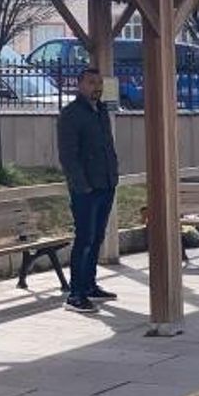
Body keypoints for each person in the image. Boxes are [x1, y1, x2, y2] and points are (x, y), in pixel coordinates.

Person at [57, 68, 120, 313]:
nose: (97, 87)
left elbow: (107, 146)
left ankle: (90, 285)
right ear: (80, 85)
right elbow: (68, 155)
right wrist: (81, 185)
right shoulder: (71, 115)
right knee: (84, 239)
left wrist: (112, 175)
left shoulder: (101, 111)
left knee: (97, 238)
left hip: (106, 184)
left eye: (99, 83)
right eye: (92, 82)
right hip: (86, 189)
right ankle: (76, 294)